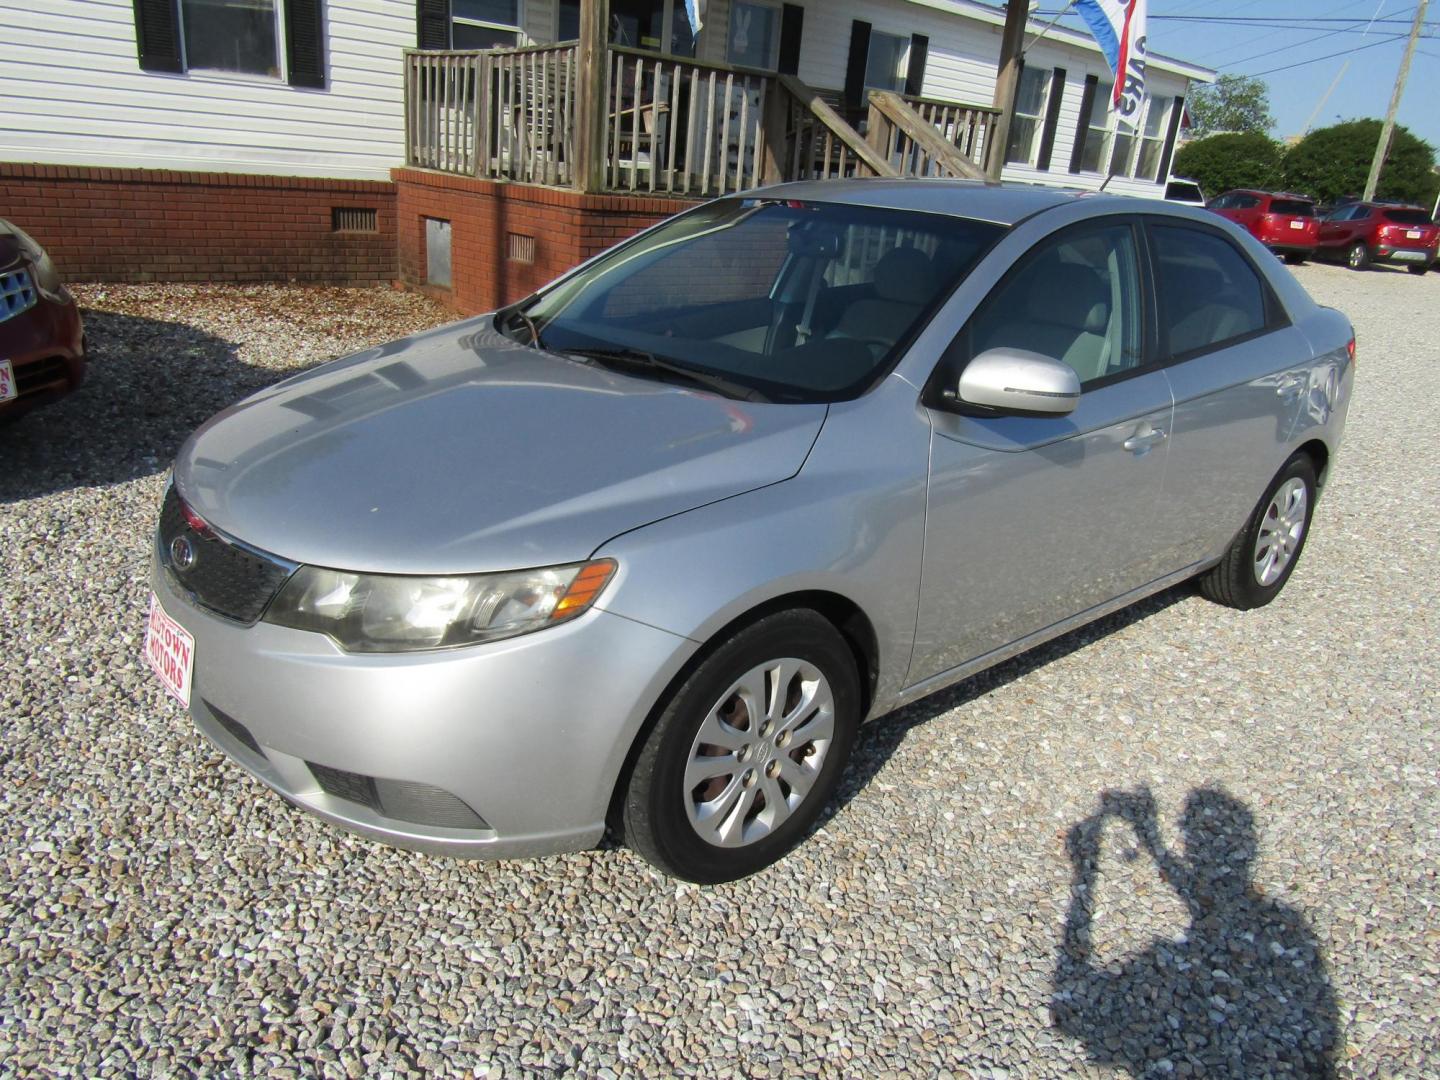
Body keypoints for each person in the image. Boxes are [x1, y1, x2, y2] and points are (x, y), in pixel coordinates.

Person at [1051, 787, 1339, 1077]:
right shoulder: (1288, 926)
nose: (1190, 843)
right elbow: (1204, 901)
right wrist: (1151, 838)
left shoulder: (1283, 923)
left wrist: (1084, 871)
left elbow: (1071, 1009)